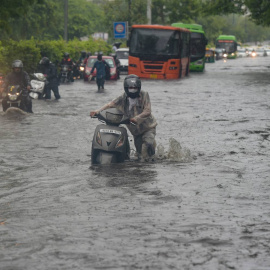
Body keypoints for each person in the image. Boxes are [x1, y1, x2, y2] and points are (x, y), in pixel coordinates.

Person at [90, 74, 157, 161]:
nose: (133, 90)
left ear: (139, 87)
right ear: (126, 88)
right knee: (140, 155)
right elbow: (110, 104)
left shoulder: (144, 95)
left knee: (148, 144)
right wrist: (97, 111)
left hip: (148, 127)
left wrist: (136, 118)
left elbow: (147, 111)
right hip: (135, 131)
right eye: (130, 88)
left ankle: (151, 161)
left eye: (135, 88)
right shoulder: (122, 97)